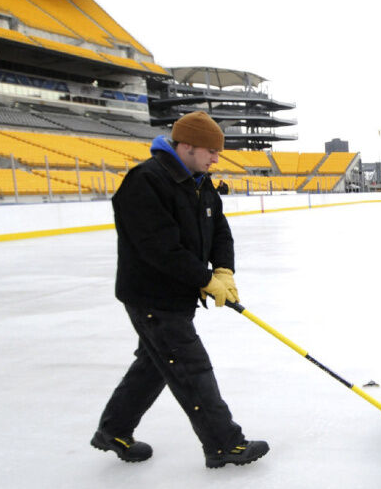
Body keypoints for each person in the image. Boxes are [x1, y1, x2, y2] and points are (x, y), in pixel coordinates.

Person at [91, 111, 269, 469]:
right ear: (186, 146)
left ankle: (113, 430)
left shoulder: (199, 181)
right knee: (191, 367)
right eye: (211, 152)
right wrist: (204, 280)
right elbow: (159, 248)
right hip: (151, 296)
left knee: (155, 364)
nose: (216, 159)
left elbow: (219, 230)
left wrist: (223, 270)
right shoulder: (146, 182)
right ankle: (223, 444)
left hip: (179, 292)